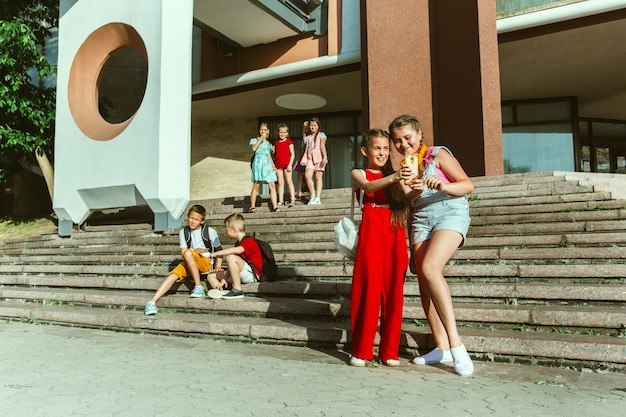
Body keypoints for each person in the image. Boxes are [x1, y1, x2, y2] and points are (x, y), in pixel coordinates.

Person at [389, 114, 475, 376]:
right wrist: (413, 185)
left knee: (430, 268)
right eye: (397, 141)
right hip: (421, 218)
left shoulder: (438, 154)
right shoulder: (404, 166)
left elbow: (468, 184)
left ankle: (457, 345)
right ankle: (441, 347)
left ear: (419, 134)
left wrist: (444, 184)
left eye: (408, 138)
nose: (404, 144)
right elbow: (409, 198)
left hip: (450, 211)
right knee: (424, 282)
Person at [349, 128, 413, 367]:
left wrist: (418, 182)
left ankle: (389, 351)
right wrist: (395, 178)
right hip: (372, 228)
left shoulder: (398, 174)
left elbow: (409, 196)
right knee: (368, 288)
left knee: (394, 289)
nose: (383, 152)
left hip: (395, 229)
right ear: (365, 150)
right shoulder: (359, 172)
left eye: (386, 148)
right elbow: (368, 187)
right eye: (377, 148)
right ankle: (362, 350)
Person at [144, 205, 223, 315]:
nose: (193, 221)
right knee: (173, 274)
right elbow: (183, 255)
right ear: (187, 217)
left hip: (205, 262)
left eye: (196, 219)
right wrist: (195, 251)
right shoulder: (183, 232)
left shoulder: (209, 231)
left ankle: (198, 287)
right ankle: (152, 302)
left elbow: (220, 250)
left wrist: (218, 265)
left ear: (202, 221)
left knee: (189, 252)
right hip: (189, 260)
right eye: (191, 218)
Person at [205, 213, 263, 300]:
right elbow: (234, 266)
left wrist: (217, 253)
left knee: (230, 257)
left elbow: (237, 251)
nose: (226, 232)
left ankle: (237, 290)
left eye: (227, 229)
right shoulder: (238, 243)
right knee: (211, 275)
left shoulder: (249, 241)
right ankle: (222, 291)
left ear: (234, 230)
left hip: (252, 275)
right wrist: (224, 279)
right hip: (242, 272)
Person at [249, 122, 279, 212]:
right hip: (258, 163)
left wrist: (274, 167)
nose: (263, 131)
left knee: (272, 184)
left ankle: (275, 206)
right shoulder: (254, 140)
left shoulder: (268, 143)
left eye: (265, 130)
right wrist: (261, 138)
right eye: (261, 130)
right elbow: (254, 149)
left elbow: (269, 155)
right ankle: (252, 206)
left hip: (267, 163)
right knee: (256, 184)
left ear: (268, 131)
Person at [300, 117, 327, 205]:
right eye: (311, 125)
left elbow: (322, 146)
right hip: (309, 158)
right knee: (307, 176)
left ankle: (318, 198)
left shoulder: (321, 135)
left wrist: (325, 157)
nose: (313, 127)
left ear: (318, 126)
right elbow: (303, 148)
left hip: (318, 157)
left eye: (315, 125)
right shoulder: (307, 138)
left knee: (318, 177)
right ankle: (312, 195)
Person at [274, 124, 296, 207]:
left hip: (287, 165)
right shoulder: (276, 143)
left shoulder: (289, 142)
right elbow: (276, 155)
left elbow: (292, 154)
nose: (282, 134)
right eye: (281, 132)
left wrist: (290, 164)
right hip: (278, 165)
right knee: (280, 183)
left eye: (284, 132)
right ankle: (280, 200)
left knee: (289, 181)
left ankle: (292, 199)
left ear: (287, 133)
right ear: (278, 133)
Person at [293, 121, 309, 202]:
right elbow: (302, 146)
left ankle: (309, 193)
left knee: (308, 175)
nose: (306, 130)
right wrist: (304, 139)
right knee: (299, 174)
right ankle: (298, 193)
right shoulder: (305, 137)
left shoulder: (314, 136)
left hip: (309, 156)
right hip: (303, 155)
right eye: (305, 128)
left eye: (307, 128)